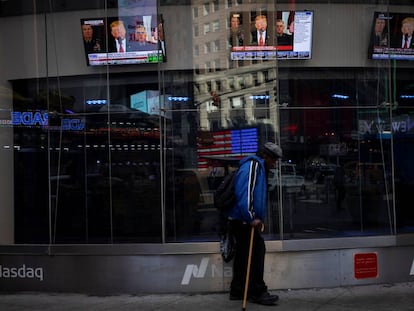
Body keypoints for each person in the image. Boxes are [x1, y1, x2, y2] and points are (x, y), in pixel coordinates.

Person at [228, 142, 282, 305]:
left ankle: (238, 290)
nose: (274, 164)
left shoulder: (257, 167)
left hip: (242, 220)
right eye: (274, 160)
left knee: (244, 256)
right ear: (266, 156)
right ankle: (257, 292)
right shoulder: (253, 166)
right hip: (244, 220)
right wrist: (251, 218)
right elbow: (245, 194)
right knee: (256, 254)